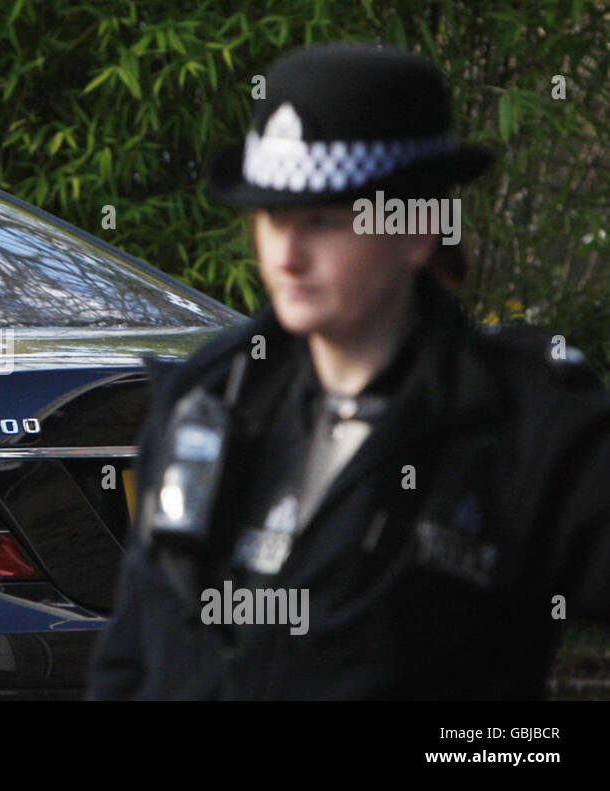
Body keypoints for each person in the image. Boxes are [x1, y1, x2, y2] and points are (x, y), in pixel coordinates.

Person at [87, 42, 610, 700]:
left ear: (419, 230)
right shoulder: (209, 397)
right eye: (273, 216)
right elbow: (129, 657)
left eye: (324, 221)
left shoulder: (523, 425)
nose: (287, 254)